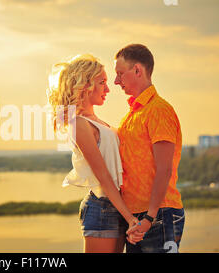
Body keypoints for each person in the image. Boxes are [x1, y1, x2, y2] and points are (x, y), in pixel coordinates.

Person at [47, 54, 143, 253]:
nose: (108, 89)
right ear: (85, 85)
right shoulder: (79, 123)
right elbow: (104, 176)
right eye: (102, 83)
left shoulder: (97, 121)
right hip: (103, 209)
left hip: (119, 206)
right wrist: (130, 218)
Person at [114, 44, 185, 253]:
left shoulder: (159, 110)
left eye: (119, 74)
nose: (116, 81)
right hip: (138, 218)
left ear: (137, 70)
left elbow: (164, 169)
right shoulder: (131, 114)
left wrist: (149, 217)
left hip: (158, 215)